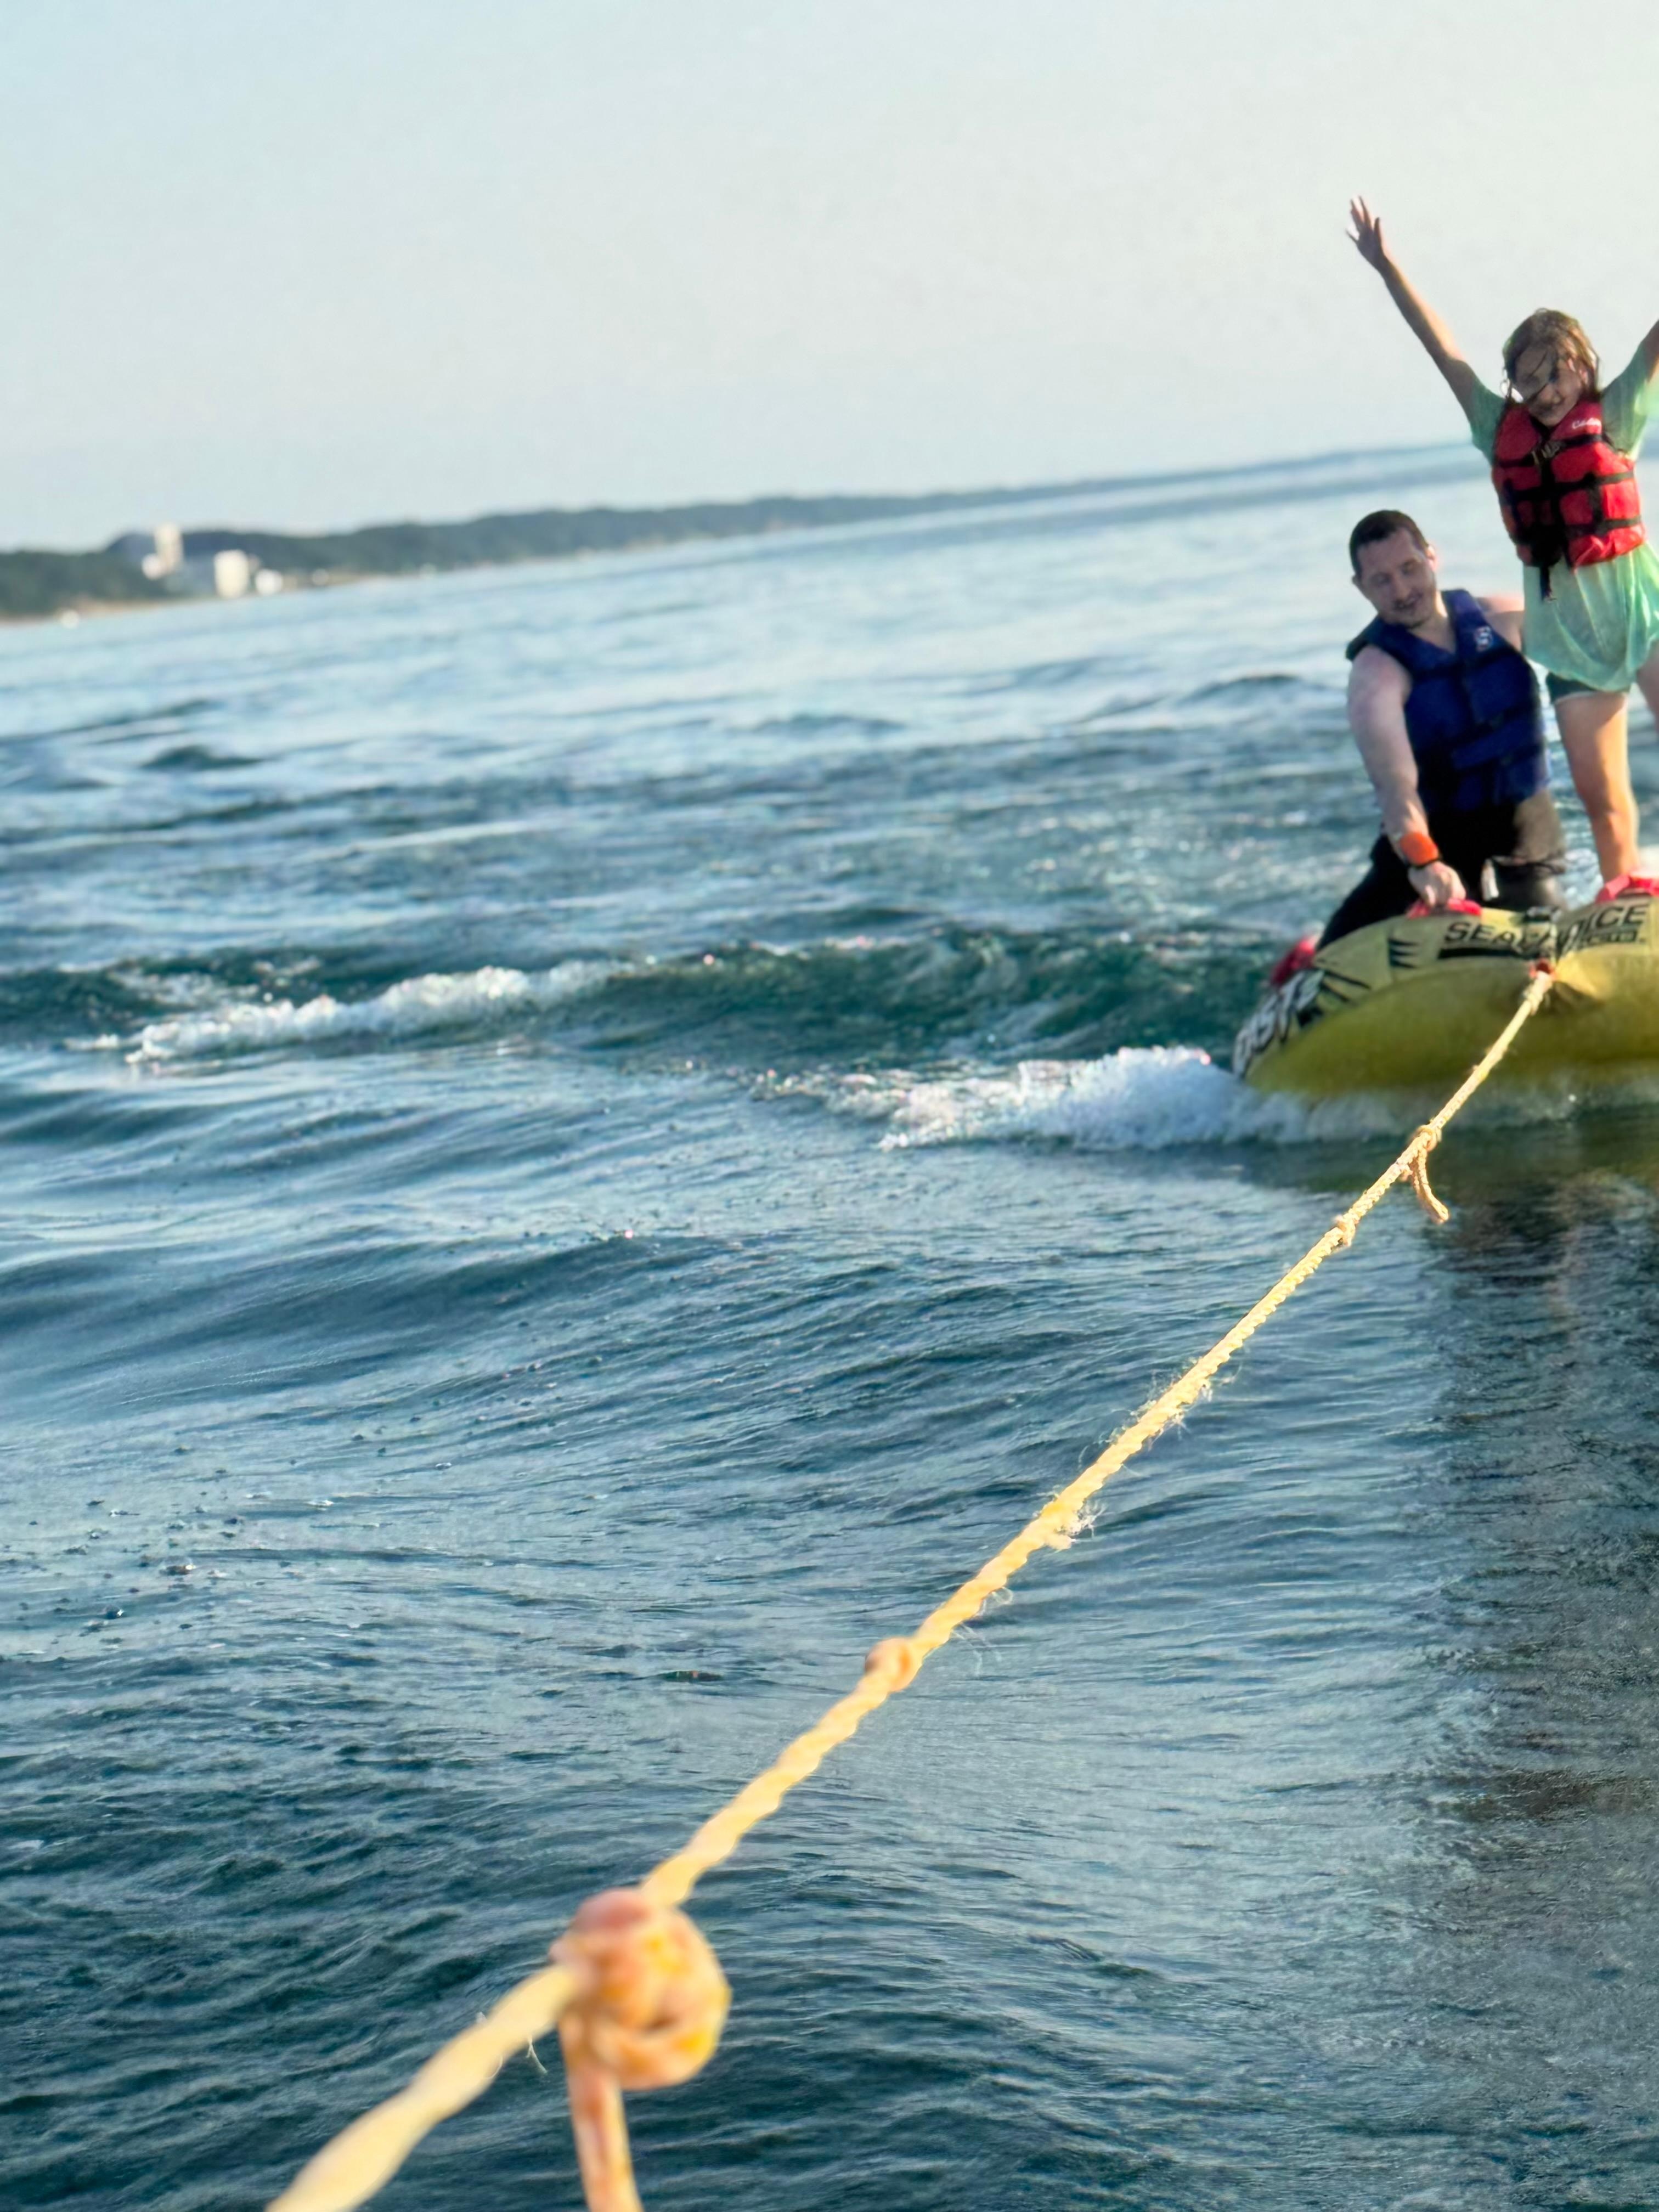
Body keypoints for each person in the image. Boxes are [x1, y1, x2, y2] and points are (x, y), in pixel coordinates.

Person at [1347, 200, 1659, 895]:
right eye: (1527, 379)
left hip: (1647, 614)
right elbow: (1443, 350)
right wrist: (1389, 269)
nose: (1543, 392)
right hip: (1571, 637)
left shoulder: (1618, 412)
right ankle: (1629, 904)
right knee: (1602, 796)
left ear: (1583, 365)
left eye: (1555, 374)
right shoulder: (1498, 426)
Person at [1305, 510, 1566, 953]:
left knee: (1543, 952)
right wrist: (1424, 862)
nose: (1402, 591)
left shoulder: (1505, 618)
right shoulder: (1376, 676)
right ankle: (1309, 959)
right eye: (1382, 580)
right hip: (1436, 841)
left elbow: (1601, 651)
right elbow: (1394, 786)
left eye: (1409, 569)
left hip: (1526, 832)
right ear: (1361, 588)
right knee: (1334, 956)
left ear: (1431, 557)